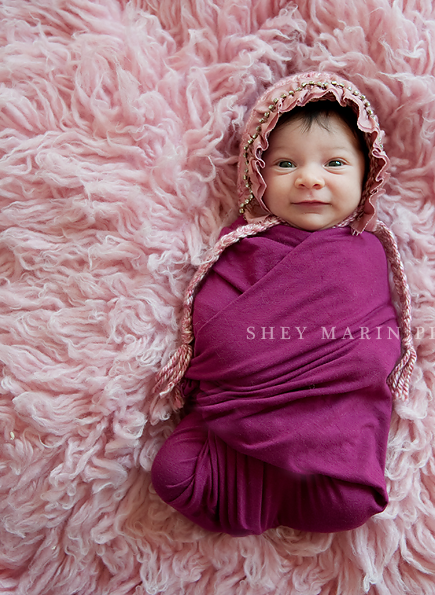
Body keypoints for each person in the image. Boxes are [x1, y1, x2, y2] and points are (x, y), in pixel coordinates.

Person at [150, 72, 415, 536]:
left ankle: (288, 489)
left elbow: (373, 339)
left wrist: (358, 359)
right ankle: (257, 482)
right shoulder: (244, 244)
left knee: (350, 505)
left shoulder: (366, 251)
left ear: (366, 173)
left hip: (330, 421)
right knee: (172, 473)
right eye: (287, 165)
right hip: (236, 419)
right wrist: (244, 355)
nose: (310, 179)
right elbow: (213, 322)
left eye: (334, 164)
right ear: (257, 173)